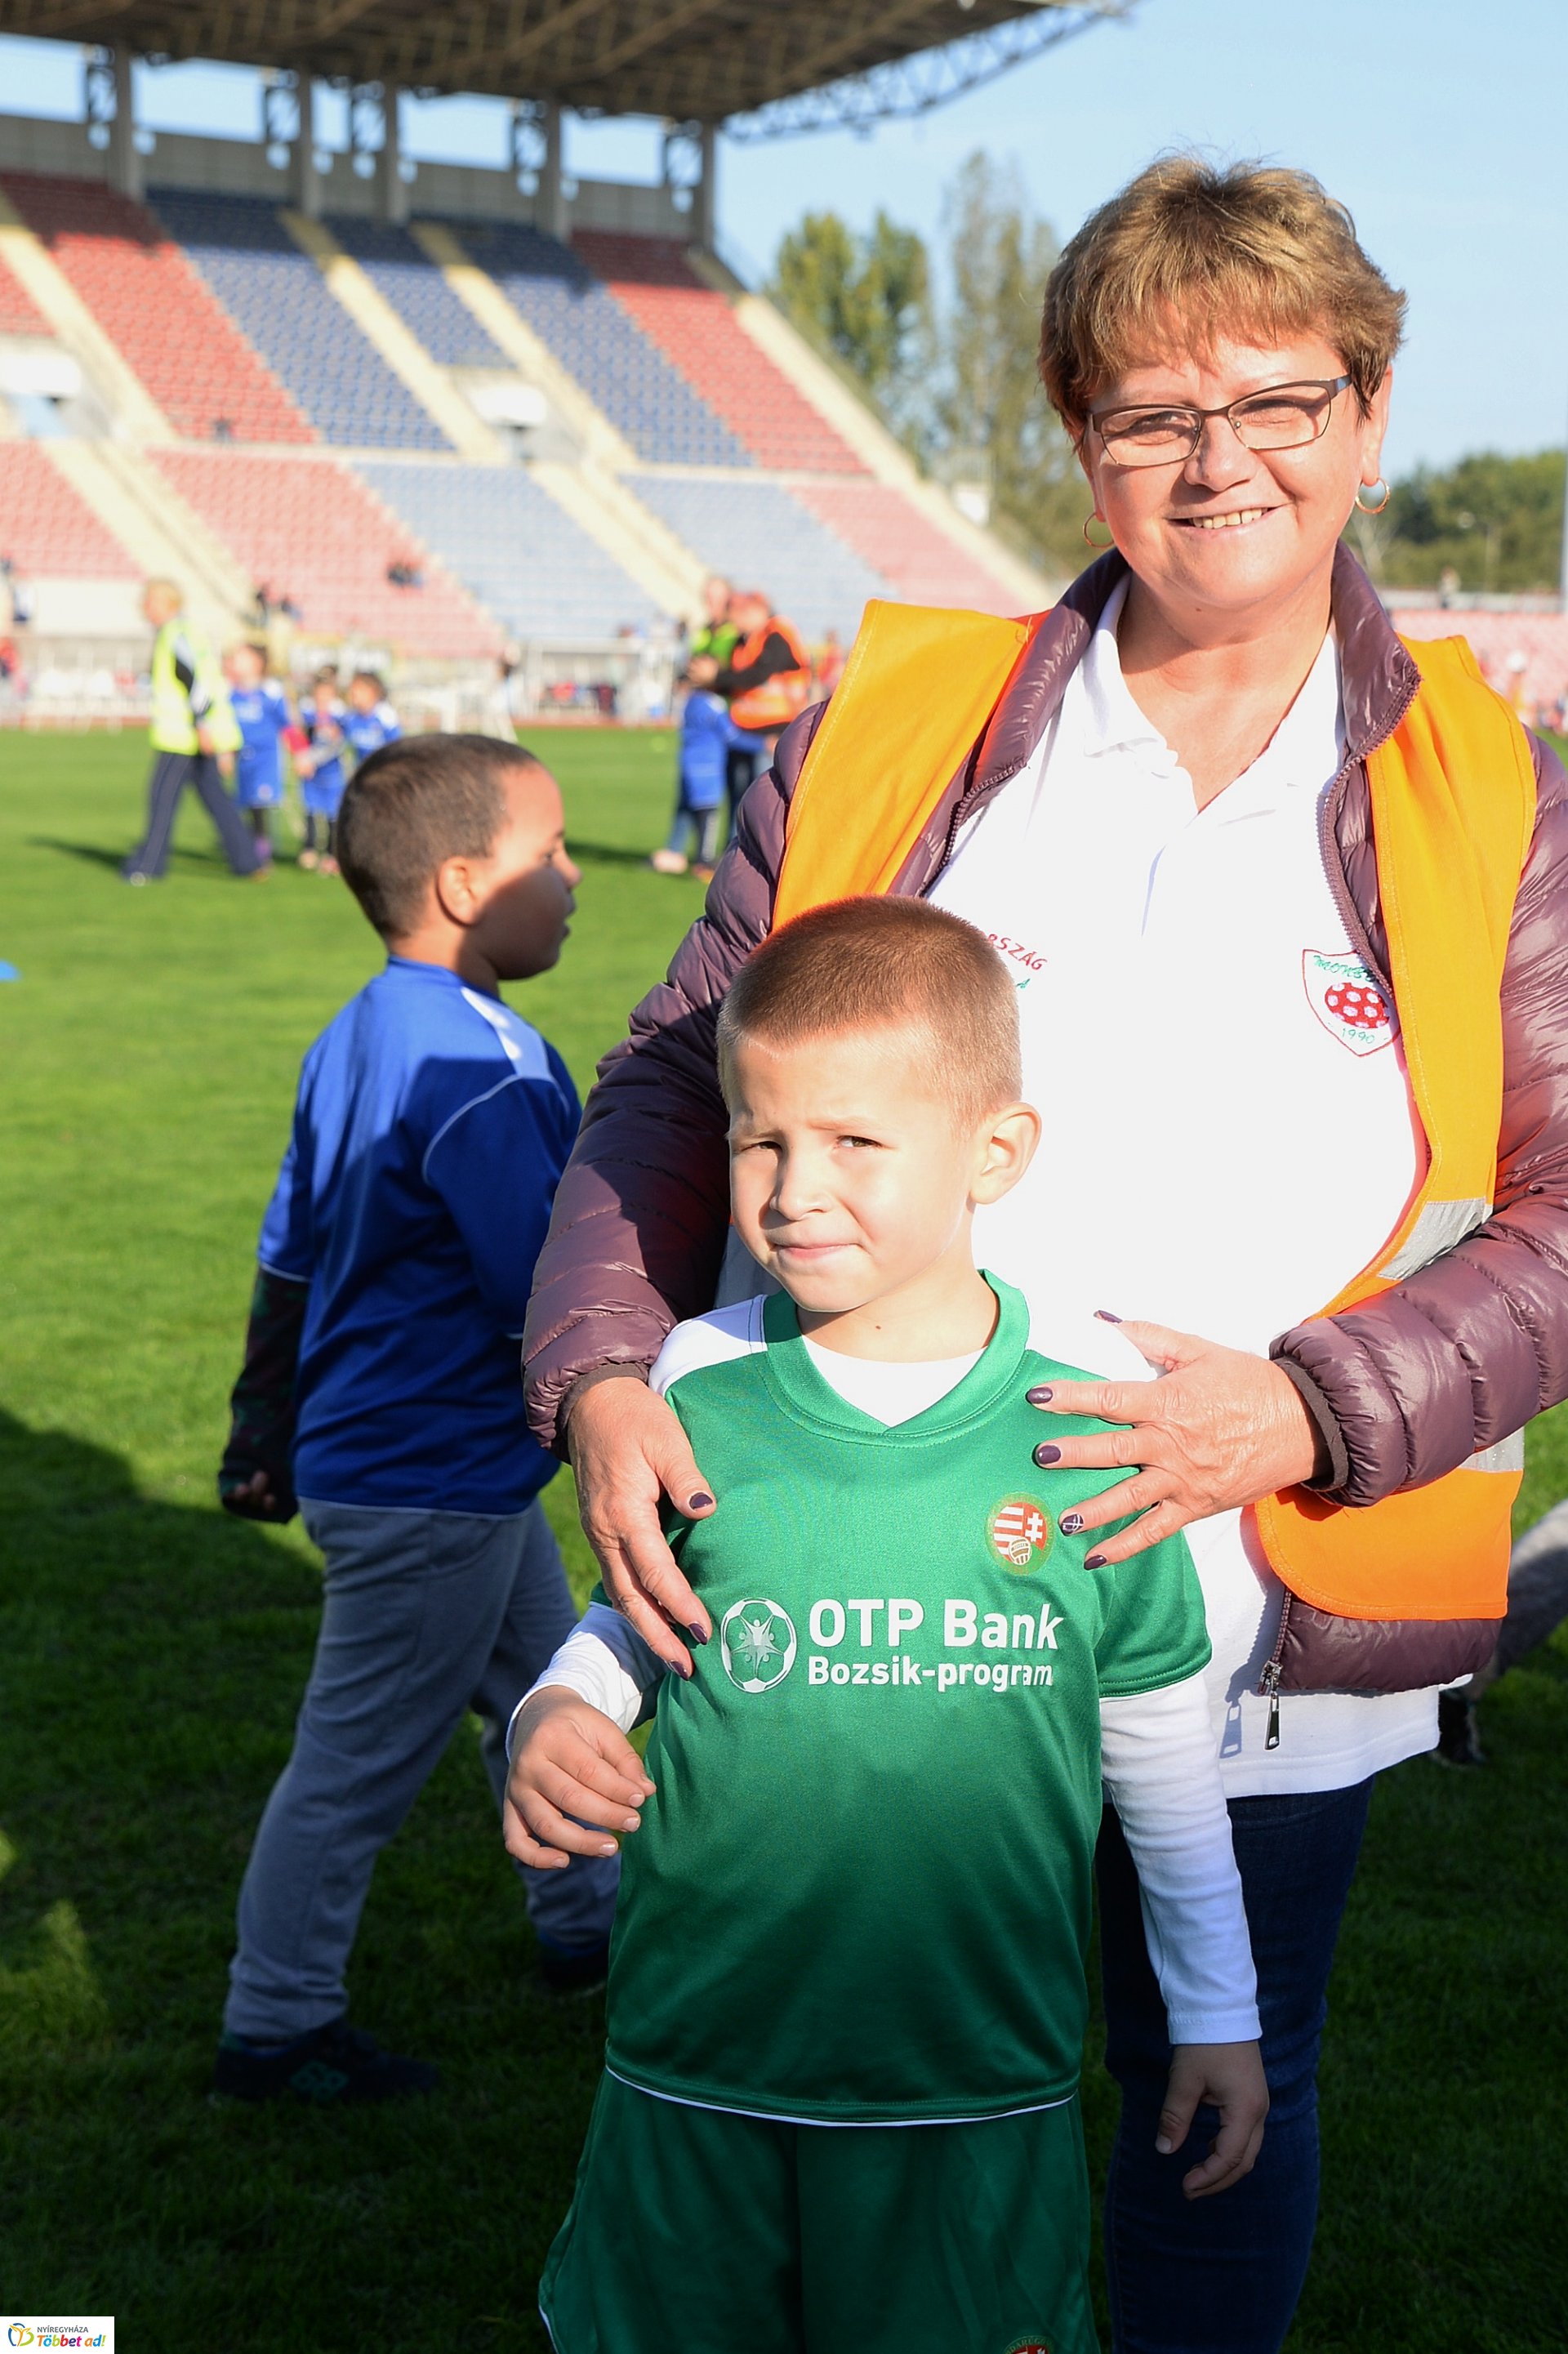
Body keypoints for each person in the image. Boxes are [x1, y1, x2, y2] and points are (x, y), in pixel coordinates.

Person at [520, 156, 1568, 2354]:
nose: (1222, 461)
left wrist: (1306, 1404)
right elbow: (662, 1084)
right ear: (1080, 439)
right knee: (847, 2104)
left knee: (1224, 2093)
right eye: (1152, 412)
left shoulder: (1499, 791)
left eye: (1280, 398)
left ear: (1371, 415)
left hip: (1267, 1598)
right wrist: (609, 1370)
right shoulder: (909, 726)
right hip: (870, 1570)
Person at [510, 898, 1266, 2353]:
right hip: (692, 2063)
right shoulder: (695, 1378)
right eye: (758, 1138)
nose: (794, 1190)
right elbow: (637, 1617)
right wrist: (562, 1704)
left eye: (855, 1143)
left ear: (996, 1151)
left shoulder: (1092, 1412)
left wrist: (1216, 2010)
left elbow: (1166, 1764)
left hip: (971, 2083)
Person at [212, 733, 618, 2103]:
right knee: (356, 1763)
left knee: (545, 1692)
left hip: (434, 1468)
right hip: (428, 1475)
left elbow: (288, 1247)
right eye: (549, 852)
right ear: (459, 882)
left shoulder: (363, 1026)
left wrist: (257, 1420)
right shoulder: (485, 1065)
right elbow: (545, 1283)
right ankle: (274, 2026)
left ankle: (592, 1932)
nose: (575, 878)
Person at [122, 579, 263, 885]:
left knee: (162, 798)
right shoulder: (186, 632)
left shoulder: (175, 635)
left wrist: (202, 726)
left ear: (166, 604)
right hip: (195, 733)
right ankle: (248, 860)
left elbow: (195, 684)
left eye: (150, 603)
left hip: (183, 737)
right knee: (215, 797)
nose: (145, 610)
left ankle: (148, 866)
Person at [689, 587, 812, 836]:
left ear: (758, 611)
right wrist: (707, 678)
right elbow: (736, 681)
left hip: (775, 732)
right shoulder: (743, 640)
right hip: (743, 730)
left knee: (763, 801)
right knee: (739, 797)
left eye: (738, 612)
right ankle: (733, 856)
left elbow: (756, 675)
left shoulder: (777, 635)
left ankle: (761, 861)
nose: (734, 619)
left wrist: (716, 675)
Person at [649, 682, 728, 879]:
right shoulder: (709, 703)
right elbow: (730, 733)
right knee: (707, 811)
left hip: (691, 762)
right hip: (706, 765)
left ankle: (675, 854)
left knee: (687, 809)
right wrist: (761, 743)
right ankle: (705, 862)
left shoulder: (692, 701)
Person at [223, 640, 291, 863]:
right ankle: (248, 845)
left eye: (241, 657)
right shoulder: (231, 692)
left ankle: (261, 850)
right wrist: (225, 752)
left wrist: (301, 754)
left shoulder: (270, 691)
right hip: (242, 758)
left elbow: (287, 724)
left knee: (259, 803)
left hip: (265, 759)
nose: (235, 661)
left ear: (257, 663)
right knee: (243, 803)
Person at [295, 667, 349, 873]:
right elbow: (301, 738)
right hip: (311, 773)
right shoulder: (307, 712)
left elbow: (339, 744)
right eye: (319, 694)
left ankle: (331, 853)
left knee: (332, 814)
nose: (322, 698)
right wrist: (302, 759)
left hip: (331, 773)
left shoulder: (340, 715)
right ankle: (308, 848)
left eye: (327, 694)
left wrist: (313, 760)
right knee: (310, 809)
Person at [341, 667, 402, 766]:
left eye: (358, 689)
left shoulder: (386, 717)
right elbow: (338, 743)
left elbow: (396, 751)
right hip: (363, 774)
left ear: (372, 691)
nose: (353, 693)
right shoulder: (350, 717)